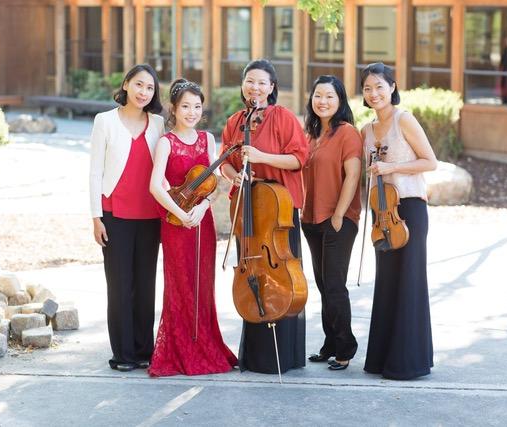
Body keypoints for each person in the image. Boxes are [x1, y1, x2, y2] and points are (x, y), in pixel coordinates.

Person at [219, 59, 309, 374]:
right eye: (250, 82)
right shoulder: (235, 122)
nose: (255, 88)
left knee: (284, 273)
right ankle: (255, 355)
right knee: (253, 269)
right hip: (250, 210)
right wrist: (234, 177)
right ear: (243, 86)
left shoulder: (283, 117)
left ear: (271, 88)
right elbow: (226, 160)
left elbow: (299, 159)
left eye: (262, 83)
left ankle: (285, 355)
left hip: (278, 210)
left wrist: (261, 157)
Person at [148, 79, 237, 377]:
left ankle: (205, 344)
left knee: (202, 286)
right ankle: (181, 350)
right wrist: (181, 213)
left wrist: (202, 207)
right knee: (180, 287)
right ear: (173, 108)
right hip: (175, 224)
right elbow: (155, 186)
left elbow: (212, 186)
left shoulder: (206, 140)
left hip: (203, 223)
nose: (191, 112)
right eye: (185, 106)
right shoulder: (166, 142)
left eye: (196, 106)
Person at [359, 62, 437, 380]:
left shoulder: (404, 120)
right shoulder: (366, 130)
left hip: (410, 209)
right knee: (387, 283)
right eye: (367, 88)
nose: (374, 93)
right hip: (383, 213)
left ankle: (409, 362)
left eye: (379, 86)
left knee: (409, 282)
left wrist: (392, 168)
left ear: (392, 87)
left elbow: (430, 162)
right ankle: (381, 358)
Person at [89, 64, 165, 372]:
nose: (143, 92)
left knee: (145, 284)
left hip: (151, 217)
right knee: (119, 285)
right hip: (114, 215)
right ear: (126, 85)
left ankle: (144, 349)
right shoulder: (104, 121)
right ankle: (123, 354)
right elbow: (95, 171)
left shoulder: (159, 123)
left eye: (149, 88)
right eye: (138, 85)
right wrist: (96, 217)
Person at [301, 75, 362, 371]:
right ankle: (330, 344)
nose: (322, 101)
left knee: (336, 285)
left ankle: (345, 347)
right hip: (311, 218)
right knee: (324, 284)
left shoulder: (347, 132)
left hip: (338, 219)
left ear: (340, 101)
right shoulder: (310, 134)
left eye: (329, 96)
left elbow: (353, 175)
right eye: (318, 96)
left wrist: (339, 214)